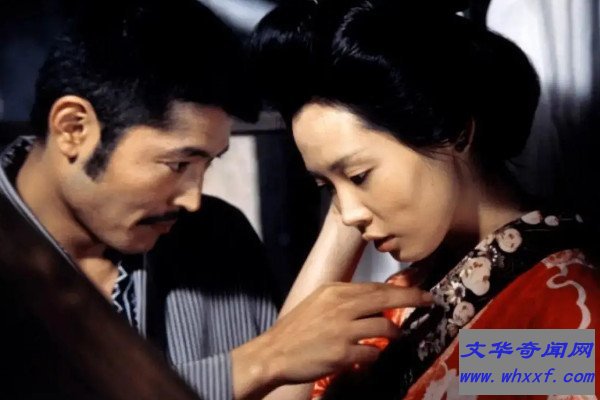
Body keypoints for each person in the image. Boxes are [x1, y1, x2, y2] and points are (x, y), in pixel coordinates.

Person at [0, 0, 435, 399]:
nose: (194, 200)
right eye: (177, 164)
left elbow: (483, 370)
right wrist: (260, 360)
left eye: (358, 174)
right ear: (73, 128)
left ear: (458, 135)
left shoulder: (219, 237)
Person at [251, 0, 600, 398]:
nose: (347, 214)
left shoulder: (558, 304)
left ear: (455, 132)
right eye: (328, 187)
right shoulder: (412, 292)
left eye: (360, 175)